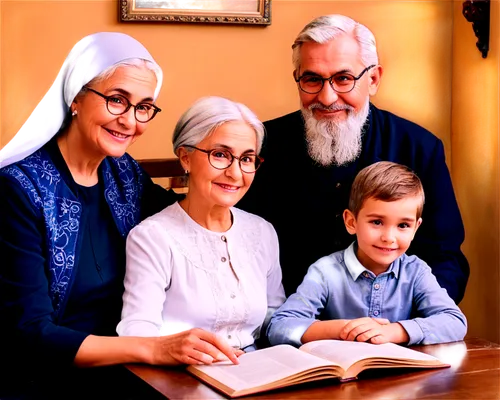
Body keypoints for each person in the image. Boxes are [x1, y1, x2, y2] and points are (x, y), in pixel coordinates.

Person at [0, 32, 186, 398]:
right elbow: (31, 332)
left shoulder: (124, 173)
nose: (131, 121)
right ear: (75, 97)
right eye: (117, 100)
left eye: (144, 106)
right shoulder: (16, 189)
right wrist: (153, 348)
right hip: (38, 381)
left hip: (123, 371)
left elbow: (185, 220)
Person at [237, 14, 469, 304]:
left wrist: (409, 324)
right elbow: (235, 245)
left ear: (373, 79)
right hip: (287, 325)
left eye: (343, 79)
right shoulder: (263, 146)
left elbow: (445, 258)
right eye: (312, 79)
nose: (327, 96)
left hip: (393, 326)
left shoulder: (419, 148)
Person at [117, 96, 286, 363]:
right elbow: (138, 328)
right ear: (186, 157)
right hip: (182, 378)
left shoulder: (262, 232)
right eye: (220, 155)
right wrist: (179, 338)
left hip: (256, 374)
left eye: (247, 158)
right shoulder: (153, 237)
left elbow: (274, 318)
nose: (235, 172)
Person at [267, 161, 467, 347]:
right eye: (377, 222)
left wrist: (395, 332)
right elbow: (279, 326)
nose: (389, 237)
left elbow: (455, 321)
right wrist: (344, 329)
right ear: (351, 222)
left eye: (403, 225)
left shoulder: (416, 272)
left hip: (400, 377)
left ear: (416, 228)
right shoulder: (325, 273)